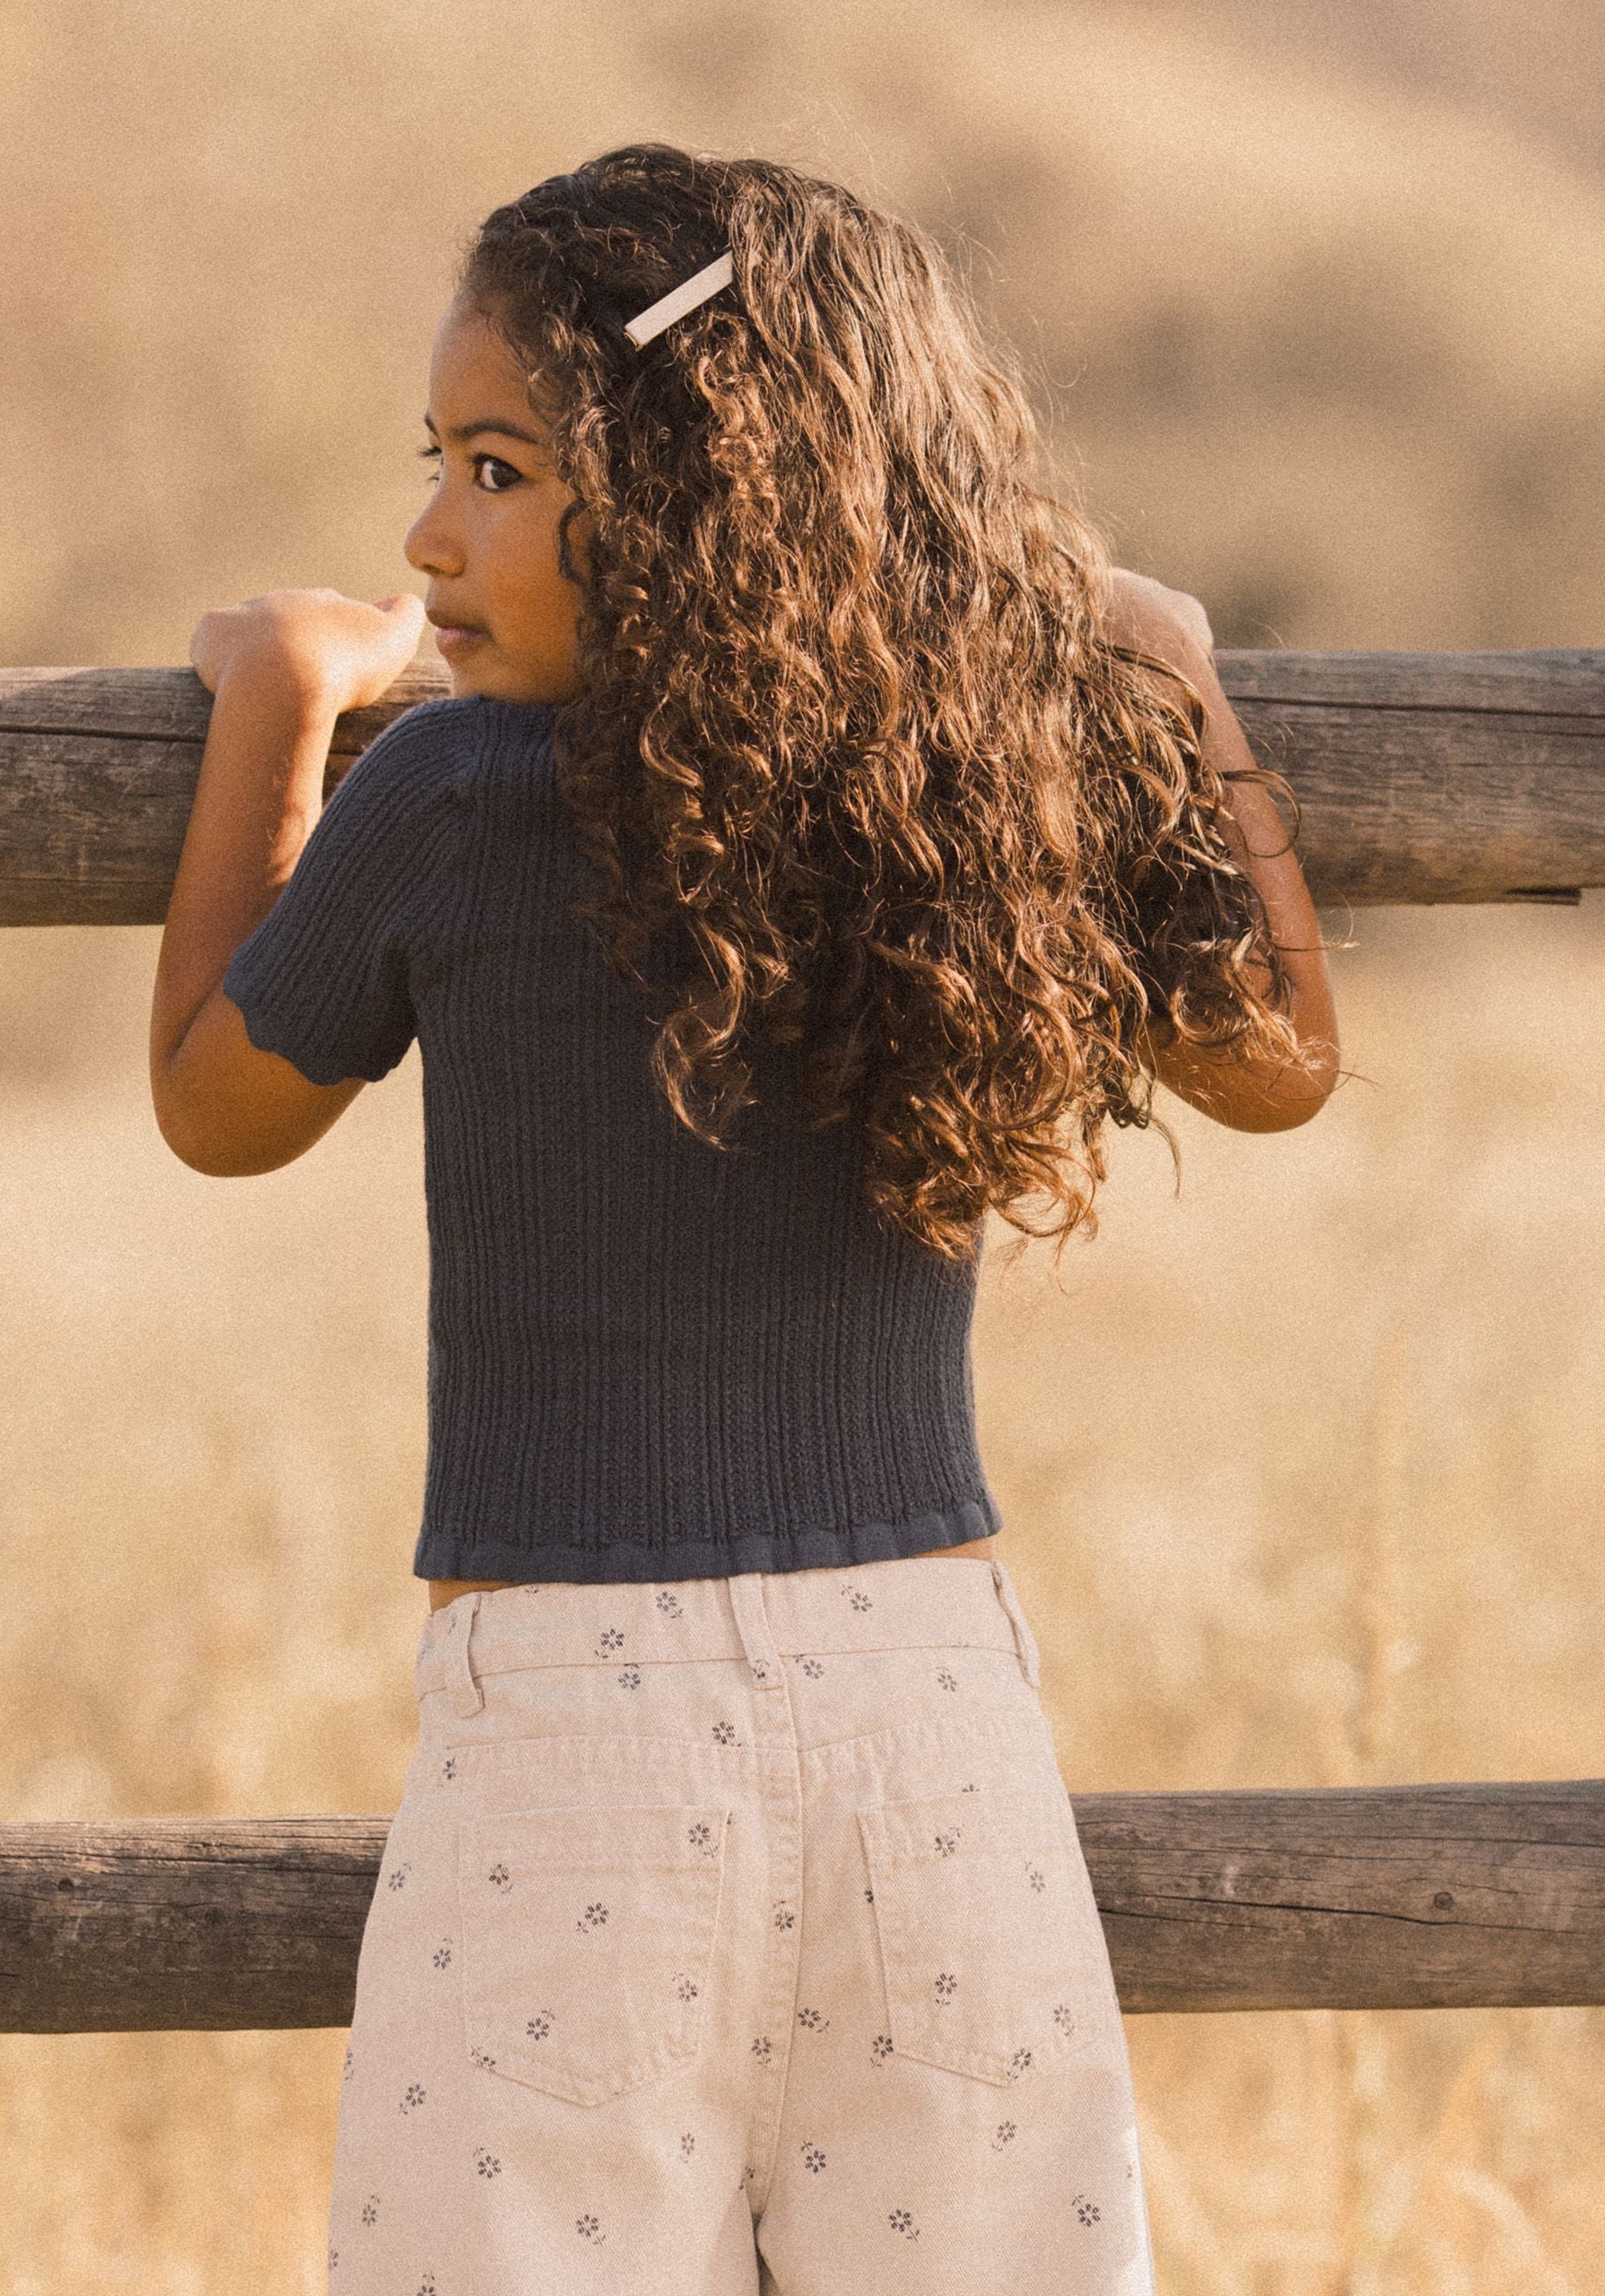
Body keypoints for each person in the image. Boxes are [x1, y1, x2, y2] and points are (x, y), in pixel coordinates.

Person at [150, 144, 1337, 2296]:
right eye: (438, 463)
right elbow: (1276, 1058)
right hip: (929, 1721)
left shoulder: (443, 802)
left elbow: (214, 1109)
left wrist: (275, 695)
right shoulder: (971, 784)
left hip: (566, 1747)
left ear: (697, 477)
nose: (427, 532)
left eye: (496, 467)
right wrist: (1174, 672)